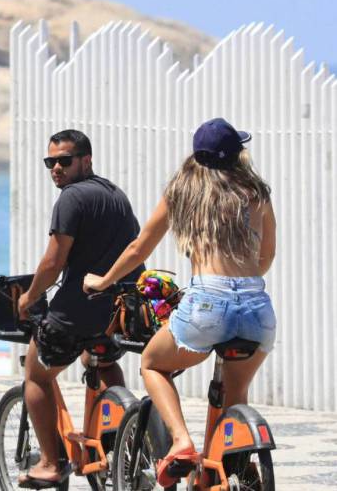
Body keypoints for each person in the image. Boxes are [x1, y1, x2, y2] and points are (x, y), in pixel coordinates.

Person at [84, 118, 276, 487]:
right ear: (238, 154)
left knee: (153, 363)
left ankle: (182, 442)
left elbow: (140, 247)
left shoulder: (182, 192)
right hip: (257, 308)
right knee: (233, 398)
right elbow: (266, 256)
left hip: (207, 304)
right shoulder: (256, 192)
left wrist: (104, 280)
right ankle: (227, 470)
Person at [15, 129, 143, 488]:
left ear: (86, 160)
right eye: (50, 162)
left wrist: (29, 297)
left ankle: (50, 463)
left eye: (64, 161)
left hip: (79, 310)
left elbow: (54, 262)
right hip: (119, 308)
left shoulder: (71, 198)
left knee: (37, 376)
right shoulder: (114, 193)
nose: (56, 168)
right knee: (100, 359)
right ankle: (120, 441)